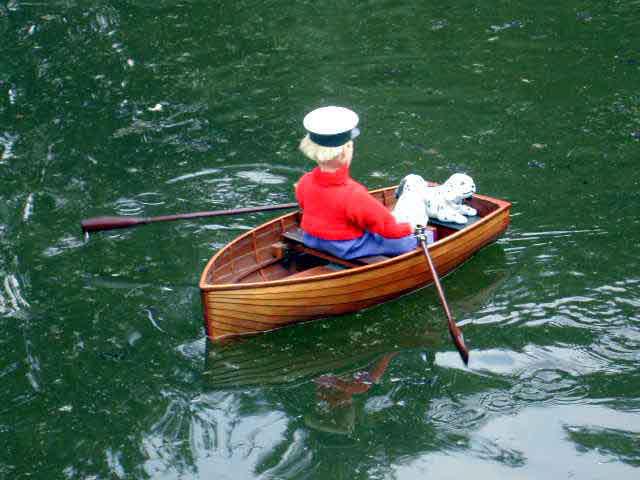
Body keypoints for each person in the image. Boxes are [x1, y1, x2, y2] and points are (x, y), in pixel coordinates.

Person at [295, 106, 418, 260]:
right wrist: (409, 228)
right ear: (346, 150)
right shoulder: (354, 193)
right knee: (405, 242)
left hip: (311, 239)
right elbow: (388, 229)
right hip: (346, 247)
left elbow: (303, 204)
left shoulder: (304, 181)